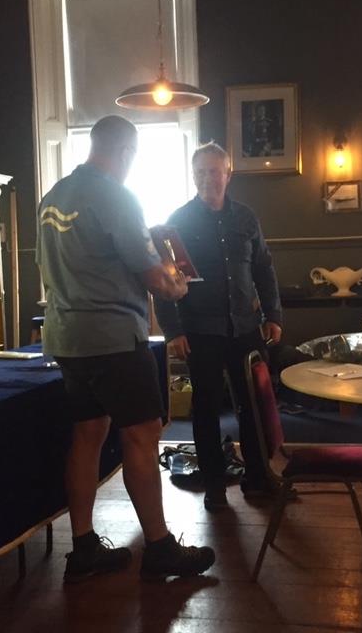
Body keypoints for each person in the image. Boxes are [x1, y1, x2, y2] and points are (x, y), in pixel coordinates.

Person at [36, 115, 215, 583]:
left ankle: (83, 547)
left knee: (88, 433)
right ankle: (159, 548)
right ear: (126, 152)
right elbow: (155, 277)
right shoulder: (116, 196)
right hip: (114, 337)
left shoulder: (52, 198)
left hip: (66, 338)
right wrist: (178, 283)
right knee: (143, 433)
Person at [154, 142, 283, 511]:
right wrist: (173, 330)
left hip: (246, 328)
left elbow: (263, 269)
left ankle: (258, 477)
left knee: (253, 406)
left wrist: (273, 315)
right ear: (193, 176)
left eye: (215, 171)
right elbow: (165, 283)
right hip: (199, 331)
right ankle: (213, 484)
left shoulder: (246, 218)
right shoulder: (177, 222)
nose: (208, 178)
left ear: (228, 173)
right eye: (201, 172)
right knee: (206, 408)